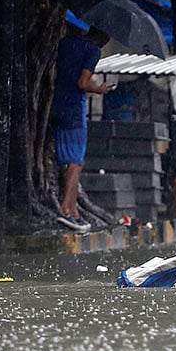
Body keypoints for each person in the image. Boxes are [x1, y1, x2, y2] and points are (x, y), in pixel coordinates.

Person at [50, 25, 112, 233]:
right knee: (75, 163)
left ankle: (74, 210)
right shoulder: (91, 51)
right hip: (74, 109)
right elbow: (83, 81)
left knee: (67, 160)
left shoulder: (65, 44)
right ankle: (66, 209)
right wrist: (99, 88)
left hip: (56, 104)